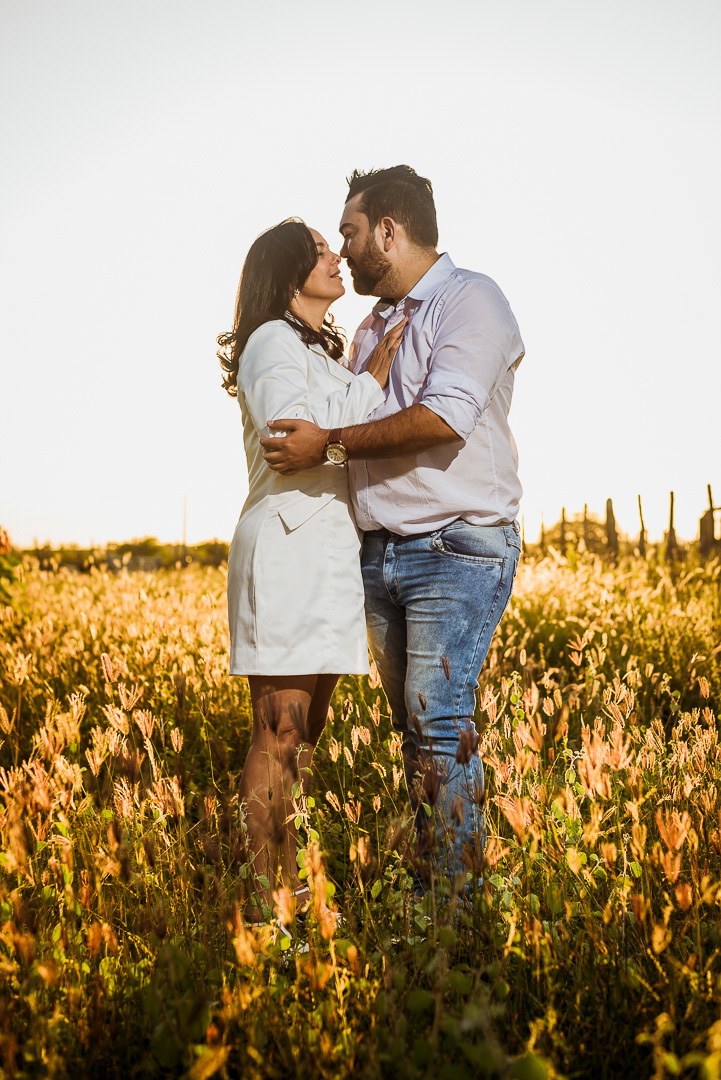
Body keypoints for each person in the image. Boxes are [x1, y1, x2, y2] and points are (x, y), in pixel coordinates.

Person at [260, 168, 525, 892]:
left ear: (388, 230)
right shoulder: (374, 325)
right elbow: (353, 411)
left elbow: (444, 418)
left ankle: (453, 913)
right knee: (415, 733)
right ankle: (434, 889)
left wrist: (333, 443)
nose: (342, 251)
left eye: (349, 232)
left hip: (455, 546)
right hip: (379, 556)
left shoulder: (471, 299)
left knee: (437, 722)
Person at [217, 218, 405, 919]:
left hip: (325, 555)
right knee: (280, 735)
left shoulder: (316, 352)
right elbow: (290, 435)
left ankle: (288, 898)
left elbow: (331, 436)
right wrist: (371, 384)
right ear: (285, 272)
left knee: (302, 741)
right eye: (319, 251)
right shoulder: (270, 339)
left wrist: (359, 388)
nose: (336, 256)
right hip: (289, 548)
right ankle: (273, 913)